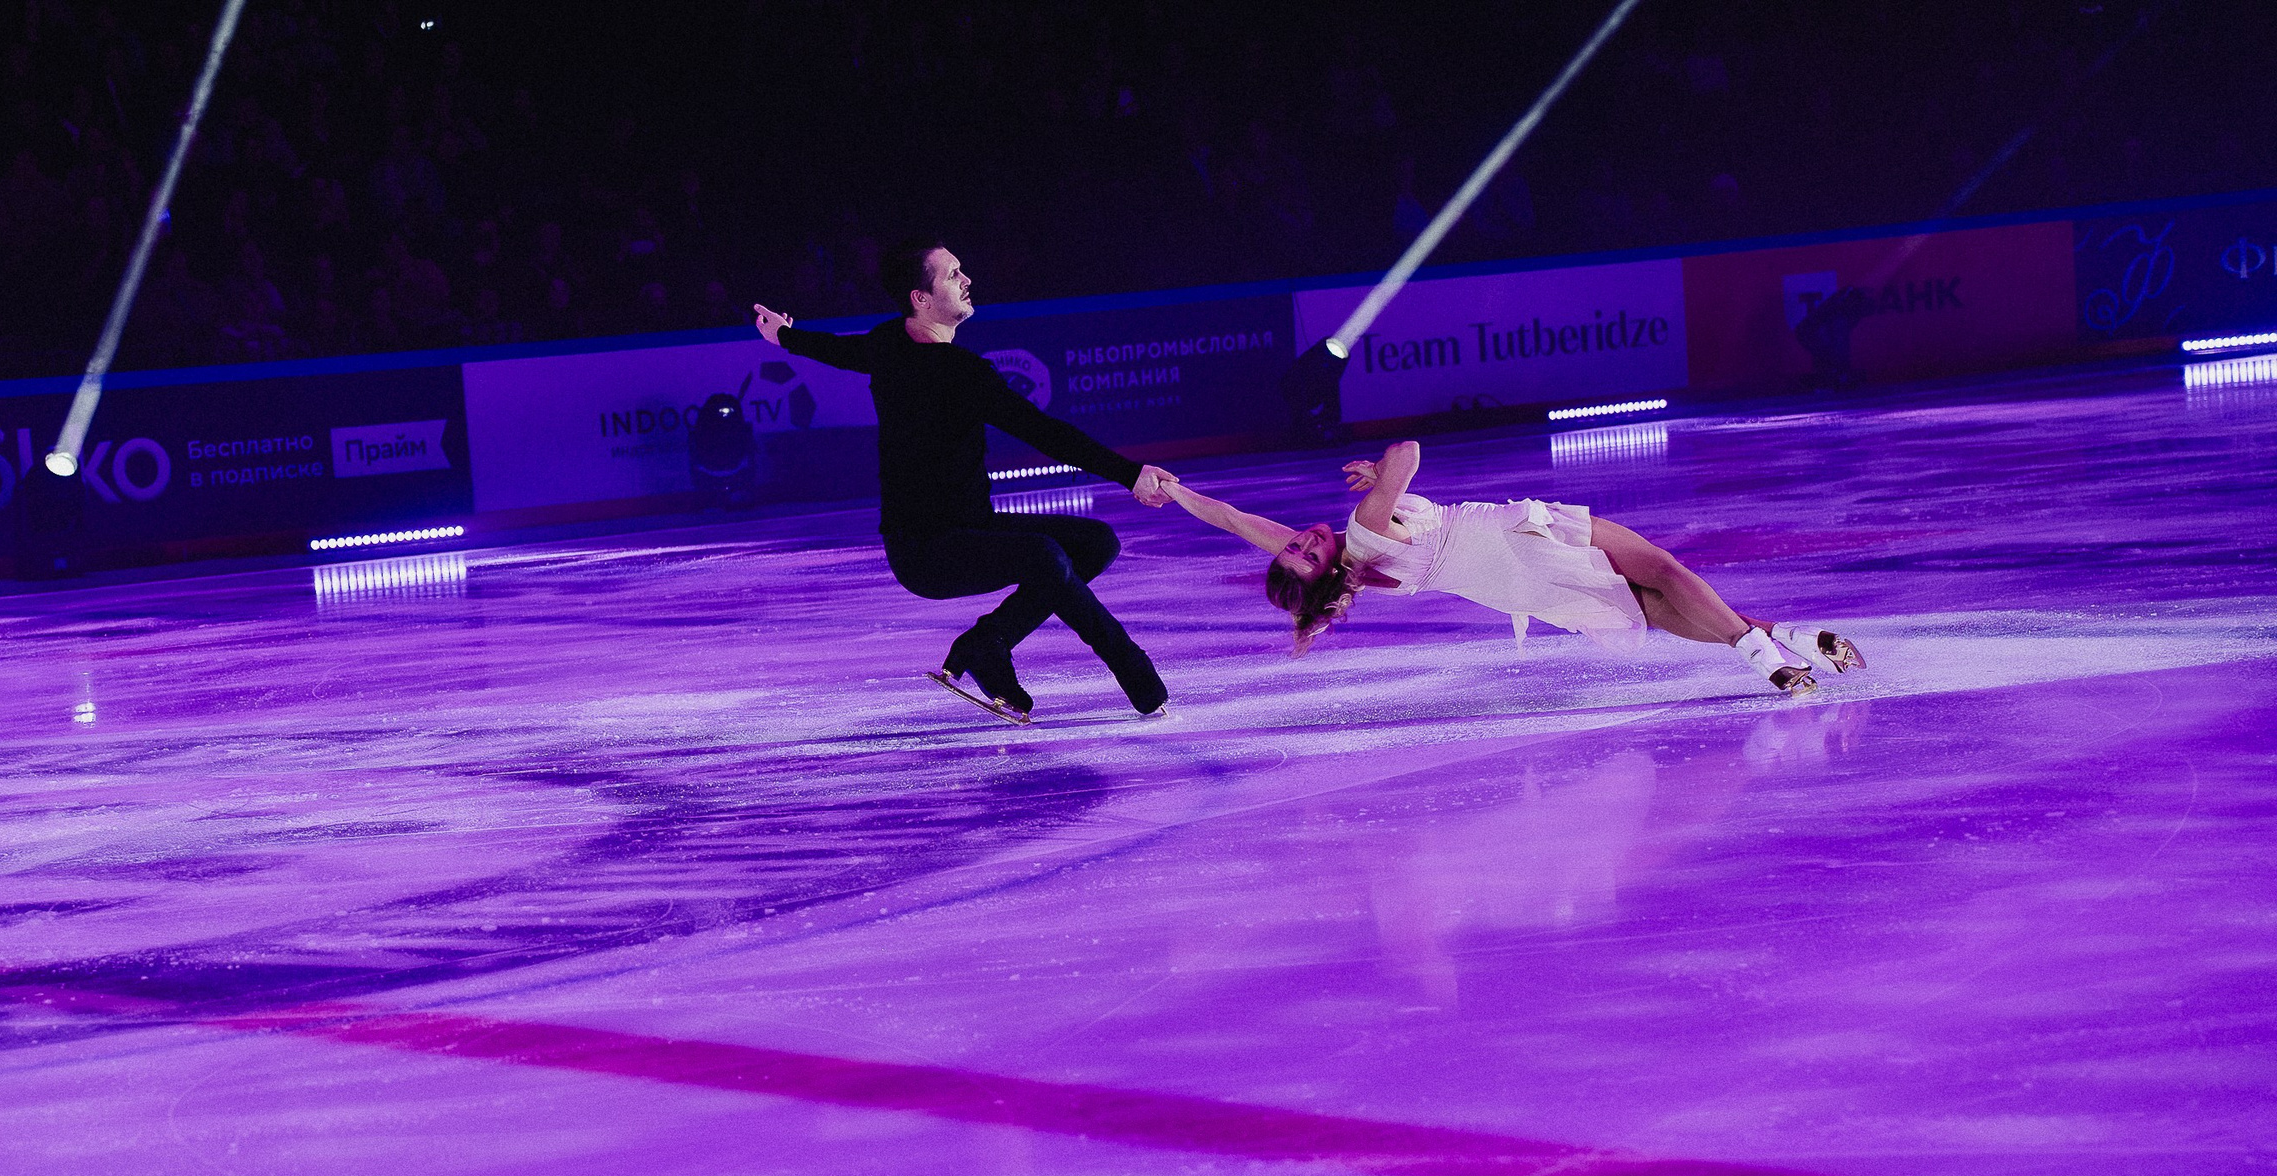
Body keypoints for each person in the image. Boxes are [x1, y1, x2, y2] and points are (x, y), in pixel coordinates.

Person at [753, 242, 1175, 722]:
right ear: (921, 298)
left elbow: (835, 349)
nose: (967, 280)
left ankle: (988, 641)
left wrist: (785, 336)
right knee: (1045, 556)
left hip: (975, 527)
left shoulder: (892, 344)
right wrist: (1130, 474)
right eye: (953, 275)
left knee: (1096, 542)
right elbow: (1047, 434)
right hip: (923, 551)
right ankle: (1133, 669)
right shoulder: (932, 362)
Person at [1161, 438, 1863, 694]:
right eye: (1305, 552)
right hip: (1525, 536)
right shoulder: (1364, 528)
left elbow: (1233, 519)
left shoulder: (1352, 567)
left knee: (1651, 609)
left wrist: (1179, 492)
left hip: (1512, 586)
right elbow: (1409, 451)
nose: (1304, 540)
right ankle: (1759, 653)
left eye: (1295, 544)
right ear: (1323, 573)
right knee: (1663, 570)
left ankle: (1789, 640)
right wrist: (1383, 475)